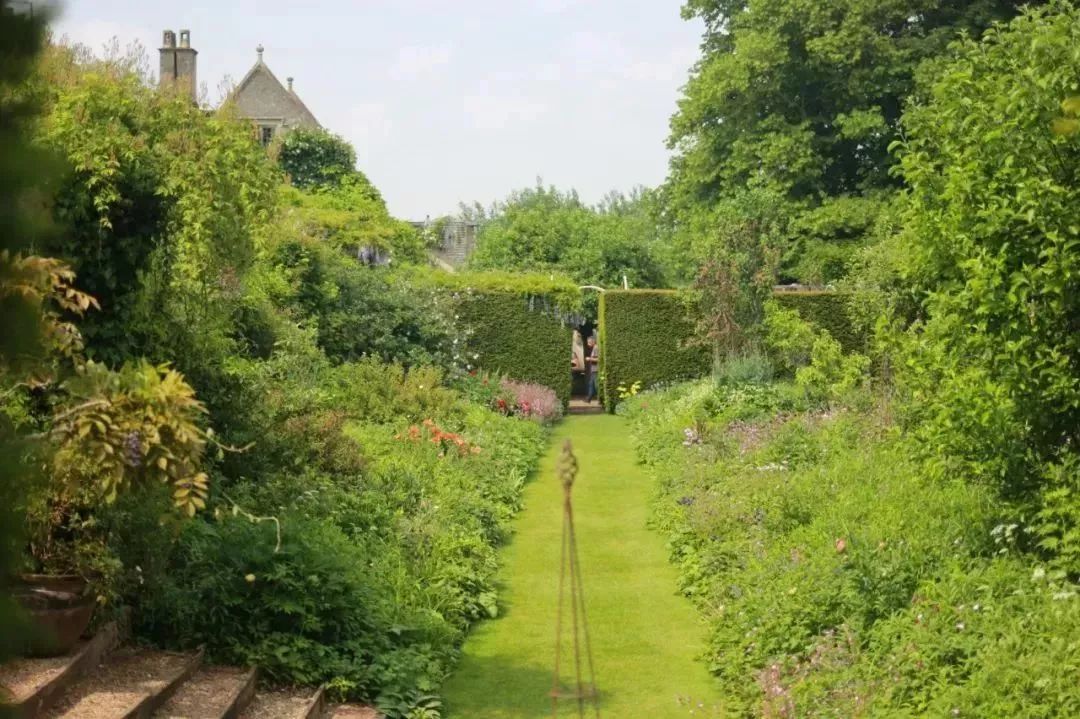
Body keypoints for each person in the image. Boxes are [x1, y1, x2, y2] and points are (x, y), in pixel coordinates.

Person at [585, 335, 600, 403]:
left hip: (596, 370)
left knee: (596, 386)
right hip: (593, 370)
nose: (588, 344)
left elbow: (598, 359)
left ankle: (600, 399)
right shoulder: (594, 348)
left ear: (593, 341)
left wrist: (589, 358)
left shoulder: (596, 348)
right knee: (591, 384)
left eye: (589, 342)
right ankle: (589, 399)